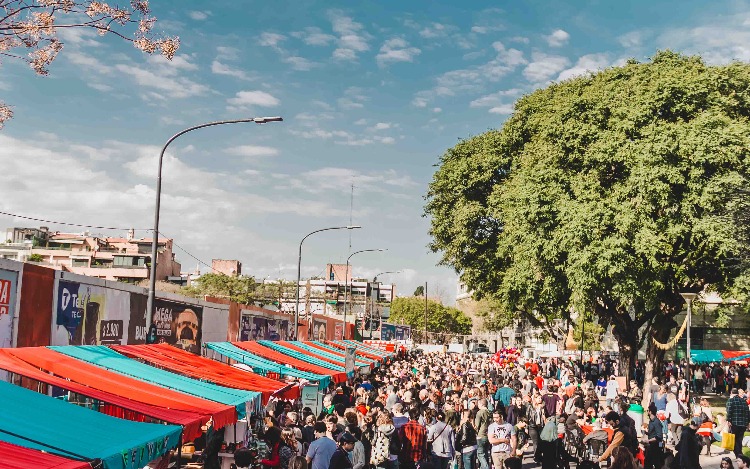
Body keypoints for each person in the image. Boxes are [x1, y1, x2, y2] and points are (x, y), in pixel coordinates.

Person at [727, 387, 750, 458]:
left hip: (735, 424)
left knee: (733, 441)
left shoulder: (731, 400)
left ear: (731, 393)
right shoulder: (744, 401)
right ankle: (740, 456)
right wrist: (747, 423)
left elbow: (729, 411)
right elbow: (748, 413)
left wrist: (729, 420)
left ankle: (739, 456)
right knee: (739, 441)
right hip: (743, 425)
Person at [643, 404, 663, 469]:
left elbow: (659, 436)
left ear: (650, 412)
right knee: (648, 463)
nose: (647, 412)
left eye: (648, 411)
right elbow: (652, 432)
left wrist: (648, 440)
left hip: (656, 447)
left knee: (656, 463)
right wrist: (646, 432)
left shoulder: (656, 422)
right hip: (651, 446)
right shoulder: (651, 421)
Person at [474, 398, 491, 469]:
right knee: (486, 453)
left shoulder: (480, 412)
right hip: (488, 434)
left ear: (481, 404)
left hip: (481, 435)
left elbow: (476, 425)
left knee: (480, 454)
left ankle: (486, 467)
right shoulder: (489, 412)